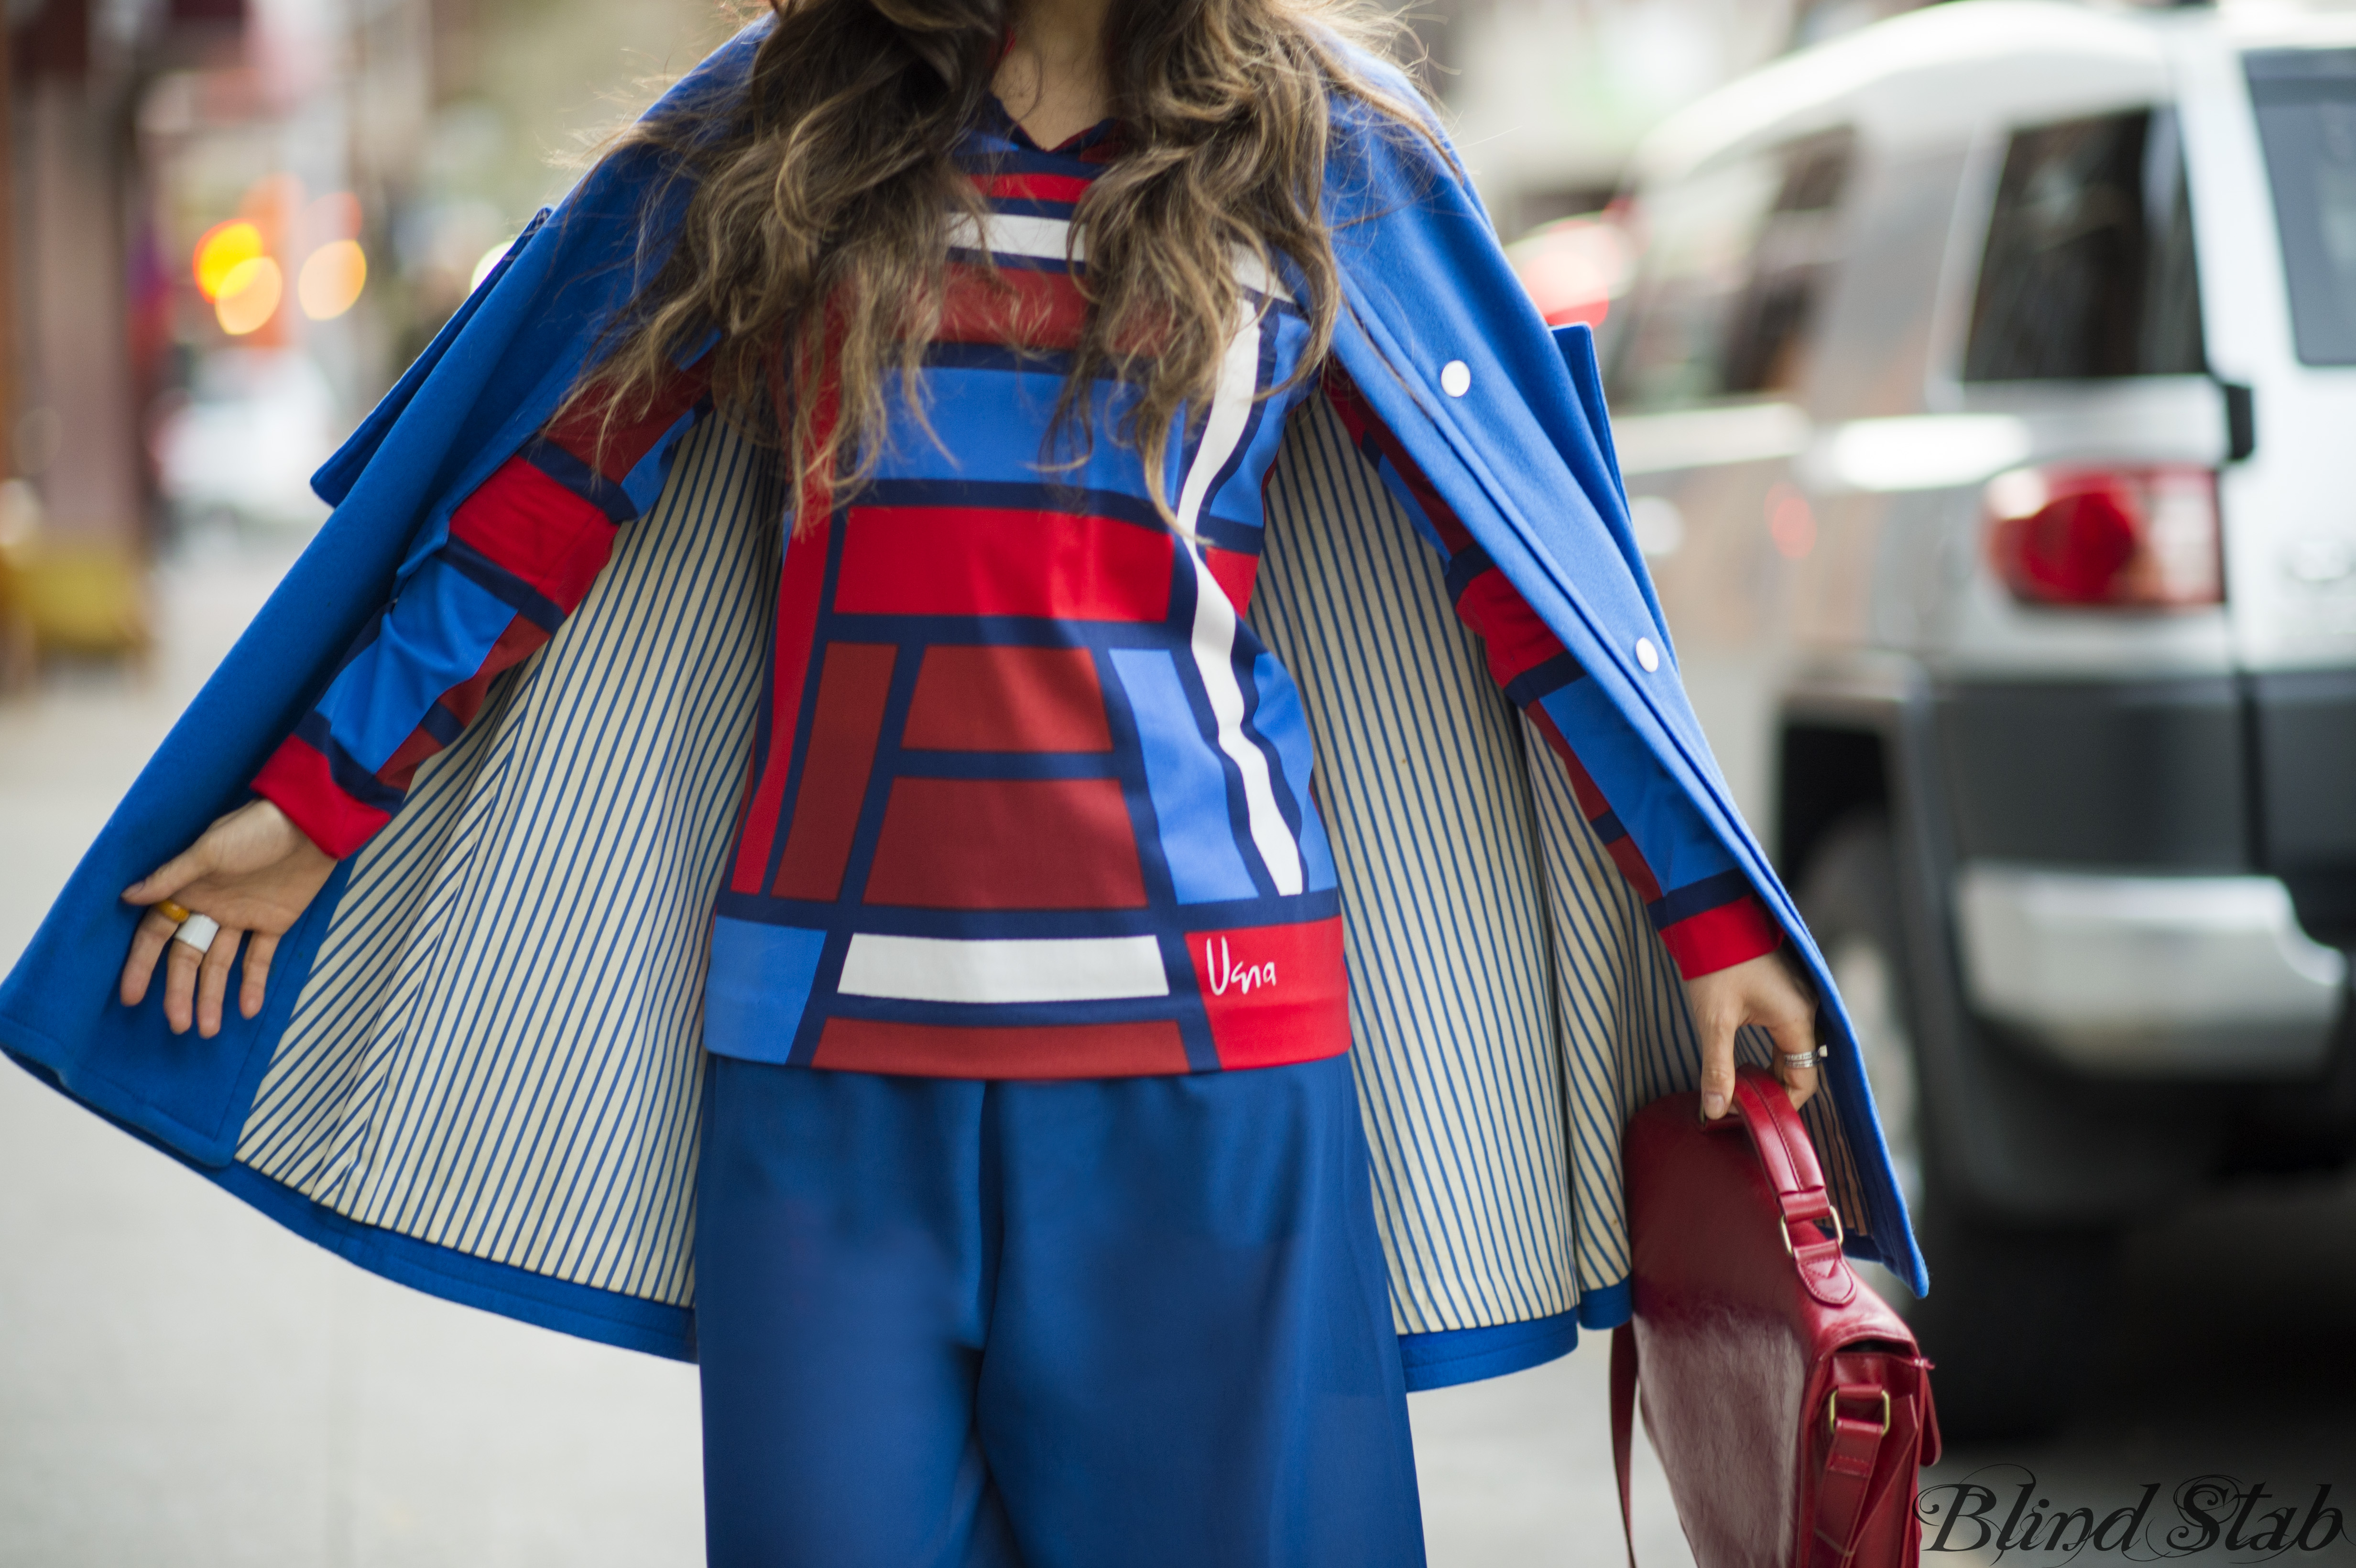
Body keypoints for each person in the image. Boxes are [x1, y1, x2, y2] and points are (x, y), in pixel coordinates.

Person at [2, 0, 1924, 1562]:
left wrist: (1698, 903)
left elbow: (1516, 565)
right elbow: (536, 498)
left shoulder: (1325, 159)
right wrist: (319, 802)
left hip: (1210, 1072)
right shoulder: (771, 130)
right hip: (824, 1080)